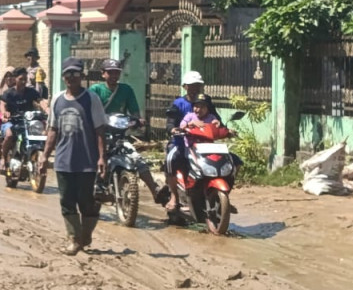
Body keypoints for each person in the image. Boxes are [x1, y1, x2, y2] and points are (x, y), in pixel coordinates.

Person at [39, 57, 108, 255]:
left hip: (86, 160)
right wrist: (45, 156)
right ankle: (74, 238)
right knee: (67, 201)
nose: (71, 77)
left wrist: (102, 157)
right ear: (63, 77)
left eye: (75, 74)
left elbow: (99, 130)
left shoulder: (91, 99)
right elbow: (52, 130)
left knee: (87, 201)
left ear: (81, 76)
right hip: (63, 160)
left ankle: (85, 234)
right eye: (68, 74)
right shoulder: (58, 100)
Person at [91, 57, 170, 205]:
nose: (114, 76)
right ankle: (96, 185)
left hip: (120, 135)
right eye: (110, 72)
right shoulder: (95, 90)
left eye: (116, 73)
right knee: (95, 158)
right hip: (100, 135)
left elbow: (134, 111)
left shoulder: (126, 90)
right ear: (103, 74)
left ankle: (155, 189)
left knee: (137, 159)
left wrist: (137, 120)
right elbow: (88, 109)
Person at [164, 71, 219, 214]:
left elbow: (216, 119)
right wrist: (173, 129)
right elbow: (170, 122)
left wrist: (220, 126)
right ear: (185, 87)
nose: (194, 89)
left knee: (231, 161)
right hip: (182, 143)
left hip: (204, 144)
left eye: (197, 86)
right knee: (170, 160)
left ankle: (218, 196)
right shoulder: (178, 104)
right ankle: (174, 197)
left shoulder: (207, 101)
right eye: (191, 86)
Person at [0, 67, 49, 172]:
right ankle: (3, 158)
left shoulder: (31, 92)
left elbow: (40, 101)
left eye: (25, 79)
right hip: (12, 121)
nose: (24, 81)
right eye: (21, 79)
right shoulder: (9, 93)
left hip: (27, 122)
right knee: (9, 135)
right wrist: (4, 113)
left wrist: (48, 110)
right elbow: (2, 104)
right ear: (15, 79)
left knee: (41, 134)